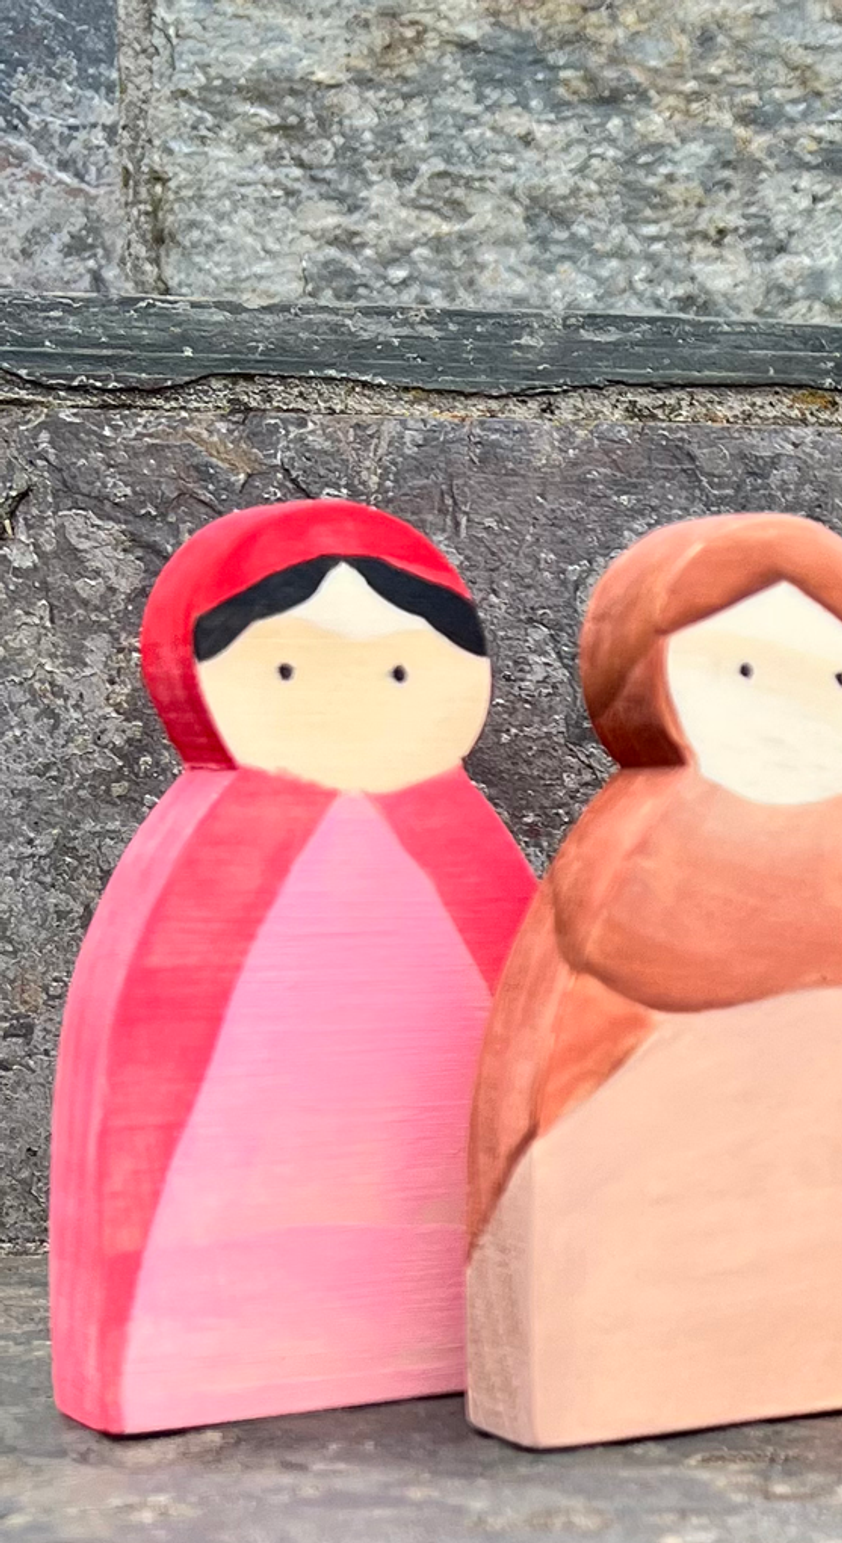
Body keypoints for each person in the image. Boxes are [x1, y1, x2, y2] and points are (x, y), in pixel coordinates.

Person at [465, 514, 842, 1447]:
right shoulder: (638, 856)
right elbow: (581, 1052)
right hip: (646, 1271)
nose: (798, 701)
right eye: (749, 671)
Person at [53, 501, 534, 1432]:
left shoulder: (465, 844)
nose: (358, 693)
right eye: (287, 666)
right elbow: (151, 1077)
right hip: (222, 1264)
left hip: (457, 1292)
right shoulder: (212, 847)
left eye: (401, 667)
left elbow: (522, 1031)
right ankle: (188, 1347)